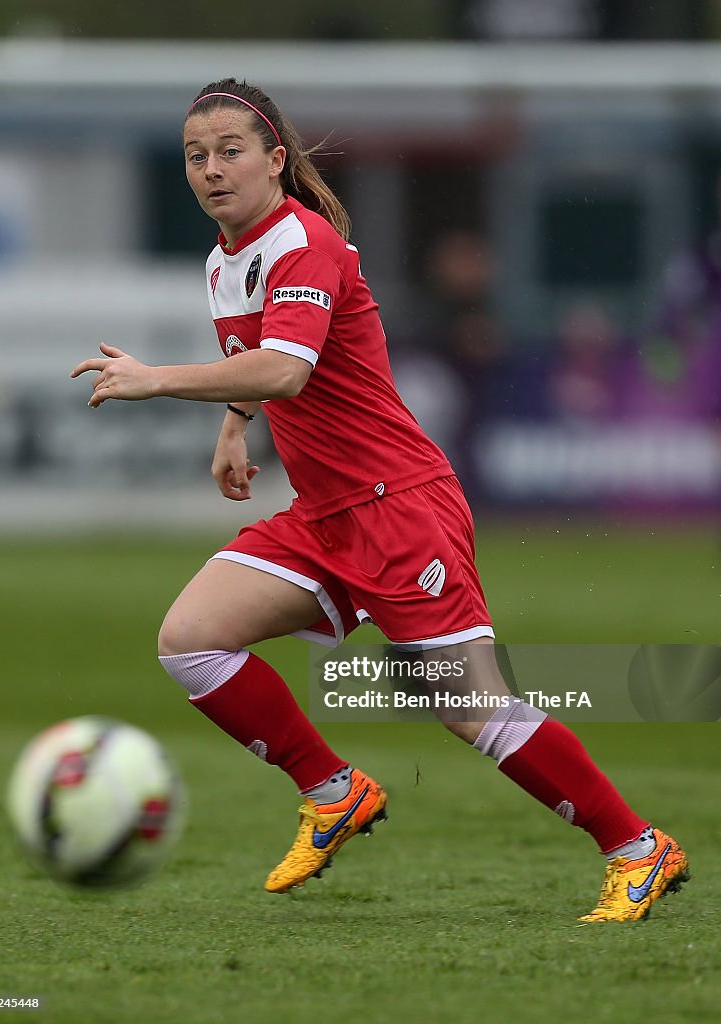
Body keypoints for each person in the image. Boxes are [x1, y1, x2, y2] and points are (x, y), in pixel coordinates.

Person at [71, 78, 689, 921]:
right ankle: (333, 792)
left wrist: (157, 380)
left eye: (230, 152)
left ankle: (637, 847)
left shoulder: (304, 241)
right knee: (191, 641)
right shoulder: (226, 257)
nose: (211, 169)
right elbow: (261, 360)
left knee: (469, 706)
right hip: (324, 517)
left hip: (398, 506)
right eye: (195, 155)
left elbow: (287, 365)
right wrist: (232, 429)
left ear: (275, 160)